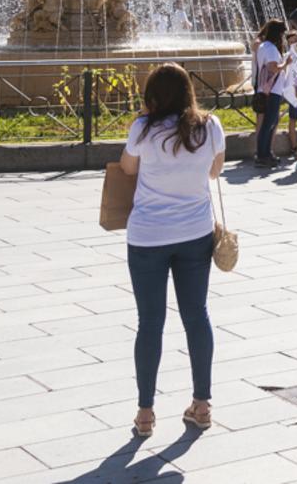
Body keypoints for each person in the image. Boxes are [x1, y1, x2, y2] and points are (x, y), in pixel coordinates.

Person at [119, 62, 222, 435]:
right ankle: (202, 404)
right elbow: (214, 171)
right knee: (197, 315)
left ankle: (145, 413)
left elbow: (128, 170)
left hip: (148, 235)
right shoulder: (209, 126)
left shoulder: (142, 129)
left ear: (152, 96)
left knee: (150, 323)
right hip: (195, 232)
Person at [252, 20, 290, 168]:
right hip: (272, 90)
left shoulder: (263, 46)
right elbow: (273, 68)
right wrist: (286, 63)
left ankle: (265, 153)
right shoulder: (271, 49)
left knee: (268, 124)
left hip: (266, 89)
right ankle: (263, 155)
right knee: (269, 124)